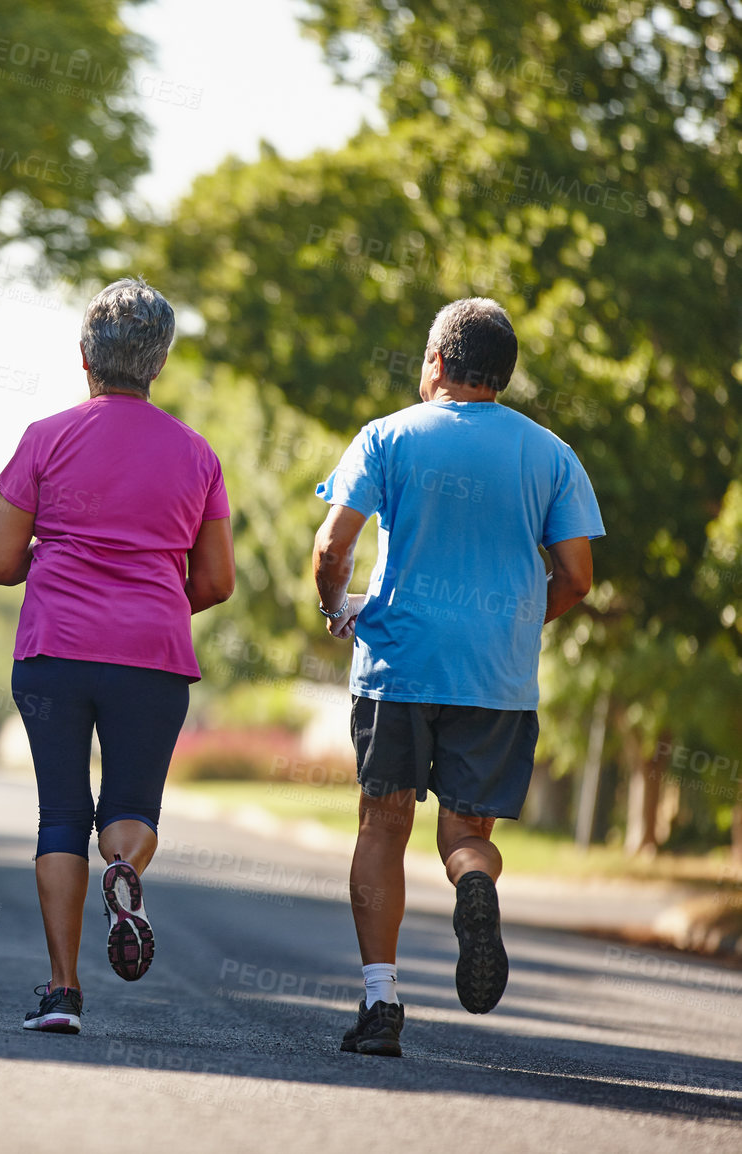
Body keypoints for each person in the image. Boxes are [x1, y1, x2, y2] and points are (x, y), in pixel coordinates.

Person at [312, 297, 603, 1057]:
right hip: (495, 677)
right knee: (466, 833)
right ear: (501, 375)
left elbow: (330, 547)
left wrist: (335, 605)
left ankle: (382, 1002)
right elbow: (576, 575)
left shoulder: (386, 437)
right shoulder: (550, 453)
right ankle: (475, 883)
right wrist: (514, 624)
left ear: (436, 364)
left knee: (383, 824)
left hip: (398, 664)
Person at [0, 277, 235, 1035]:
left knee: (60, 813)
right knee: (129, 809)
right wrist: (150, 596)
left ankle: (62, 992)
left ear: (85, 355)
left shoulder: (47, 436)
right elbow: (215, 580)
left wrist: (55, 560)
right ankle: (123, 869)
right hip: (152, 654)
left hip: (55, 649)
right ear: (158, 364)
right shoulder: (197, 454)